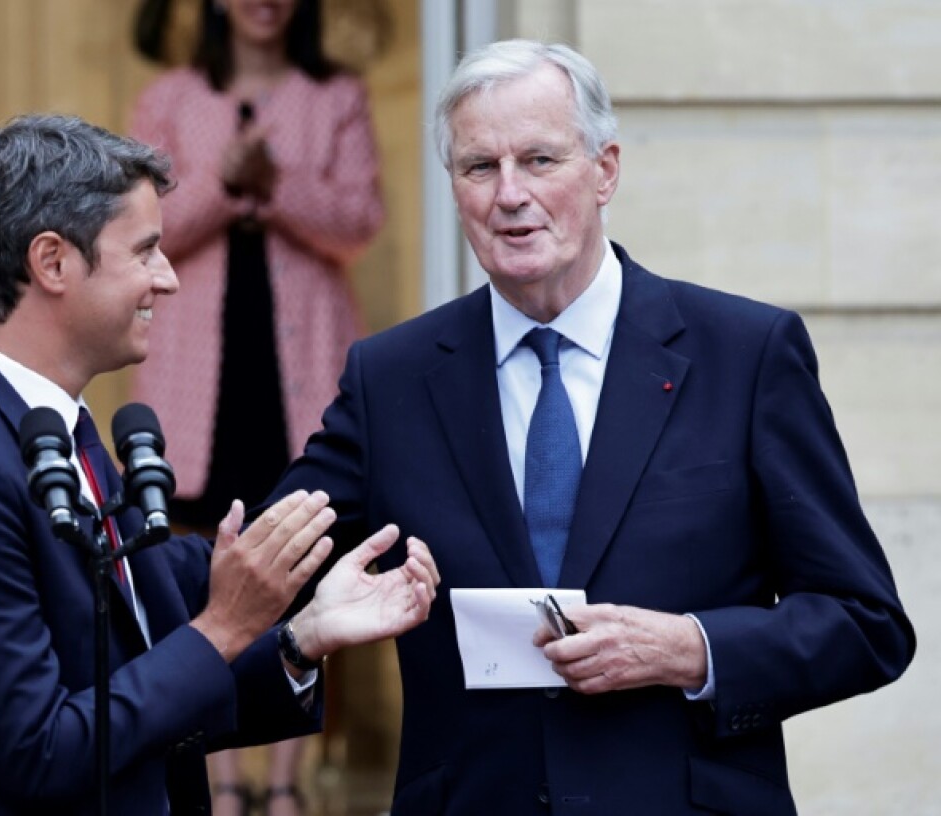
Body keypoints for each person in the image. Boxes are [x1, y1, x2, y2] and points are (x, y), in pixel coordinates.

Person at [260, 39, 916, 814]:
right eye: (480, 167)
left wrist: (691, 649)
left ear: (605, 170)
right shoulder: (392, 378)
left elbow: (864, 622)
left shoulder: (744, 355)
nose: (510, 194)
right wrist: (297, 644)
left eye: (540, 160)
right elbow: (262, 584)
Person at [0, 113, 437, 816]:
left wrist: (301, 637)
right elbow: (44, 752)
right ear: (52, 263)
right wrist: (224, 626)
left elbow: (151, 689)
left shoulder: (65, 431)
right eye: (144, 251)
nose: (166, 279)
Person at [129, 1, 384, 813]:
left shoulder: (336, 94)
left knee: (300, 546)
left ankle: (285, 782)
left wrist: (277, 188)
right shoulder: (170, 97)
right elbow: (143, 230)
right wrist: (221, 184)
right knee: (198, 560)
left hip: (299, 363)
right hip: (198, 365)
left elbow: (357, 223)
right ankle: (220, 776)